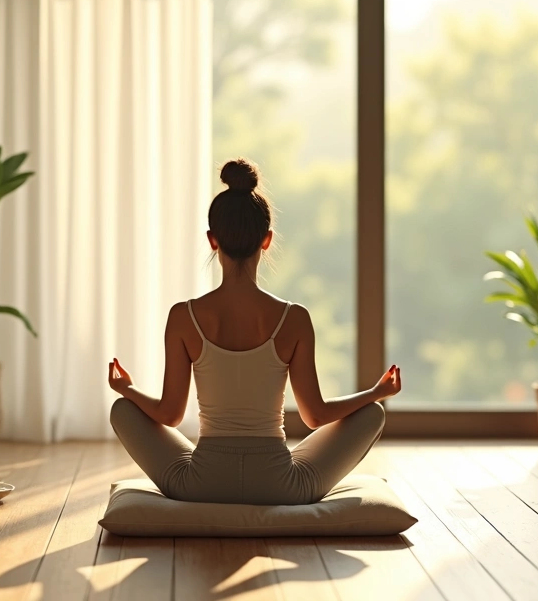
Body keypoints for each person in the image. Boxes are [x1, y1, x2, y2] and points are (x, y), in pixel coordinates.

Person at [107, 158, 402, 505]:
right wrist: (375, 392)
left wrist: (127, 389)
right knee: (372, 413)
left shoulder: (183, 317)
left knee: (122, 409)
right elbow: (315, 415)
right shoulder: (294, 318)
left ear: (212, 240)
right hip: (281, 487)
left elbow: (170, 414)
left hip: (200, 485)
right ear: (267, 240)